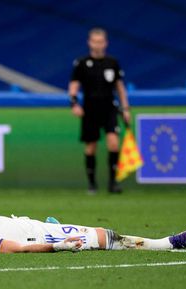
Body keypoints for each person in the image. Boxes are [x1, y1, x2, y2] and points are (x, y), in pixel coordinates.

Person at [0, 216, 186, 254]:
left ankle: (55, 224)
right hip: (42, 234)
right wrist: (58, 245)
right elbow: (18, 248)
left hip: (36, 224)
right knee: (106, 237)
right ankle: (167, 244)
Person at [69, 28, 131, 194]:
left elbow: (120, 87)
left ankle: (113, 183)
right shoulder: (81, 63)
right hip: (90, 110)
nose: (97, 45)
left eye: (100, 41)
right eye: (94, 41)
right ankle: (92, 184)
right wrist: (74, 103)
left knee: (113, 142)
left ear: (106, 43)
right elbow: (74, 86)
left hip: (109, 109)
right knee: (91, 147)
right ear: (89, 42)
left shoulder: (112, 63)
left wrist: (125, 108)